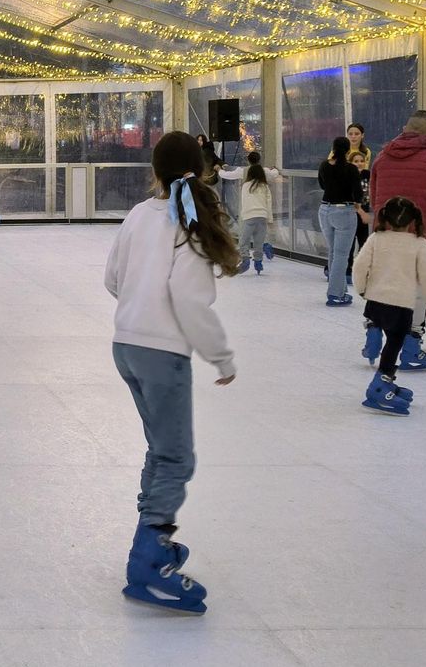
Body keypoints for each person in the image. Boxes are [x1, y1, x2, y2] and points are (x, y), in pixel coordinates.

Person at [103, 132, 240, 614]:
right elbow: (190, 301)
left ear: (154, 172)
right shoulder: (188, 223)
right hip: (161, 354)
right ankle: (149, 555)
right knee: (177, 457)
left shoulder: (139, 214)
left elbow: (112, 279)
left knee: (160, 449)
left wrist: (139, 308)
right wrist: (221, 356)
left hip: (126, 346)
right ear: (201, 171)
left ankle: (151, 535)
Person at [369, 110, 426, 363]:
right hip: (420, 236)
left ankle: (374, 331)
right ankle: (411, 346)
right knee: (419, 290)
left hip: (385, 234)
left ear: (404, 128)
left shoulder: (381, 158)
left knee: (385, 284)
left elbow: (375, 198)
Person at [351, 197, 426, 415]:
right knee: (393, 344)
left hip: (375, 302)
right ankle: (379, 386)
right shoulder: (419, 244)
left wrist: (362, 289)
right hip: (400, 306)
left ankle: (385, 376)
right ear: (413, 221)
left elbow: (359, 265)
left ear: (386, 218)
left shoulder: (376, 238)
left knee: (385, 336)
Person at [318, 137, 362, 307]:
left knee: (334, 253)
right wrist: (358, 204)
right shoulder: (351, 169)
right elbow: (358, 193)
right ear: (348, 150)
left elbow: (322, 185)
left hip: (325, 210)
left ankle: (340, 291)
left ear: (333, 148)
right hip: (344, 211)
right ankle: (335, 294)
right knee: (342, 255)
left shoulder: (324, 165)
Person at [217, 151, 276, 274]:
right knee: (259, 240)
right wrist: (274, 169)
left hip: (248, 215)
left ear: (248, 160)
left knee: (244, 240)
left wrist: (218, 170)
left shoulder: (244, 179)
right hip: (262, 215)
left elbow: (227, 175)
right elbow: (273, 175)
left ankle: (245, 259)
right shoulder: (264, 182)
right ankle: (258, 262)